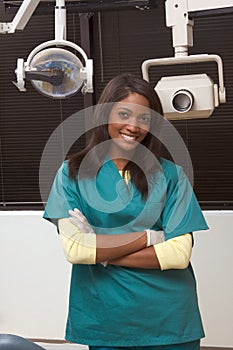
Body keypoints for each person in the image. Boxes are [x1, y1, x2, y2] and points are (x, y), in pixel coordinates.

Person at [43, 73, 209, 350]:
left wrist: (102, 252)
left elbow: (178, 254)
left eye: (144, 118)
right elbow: (76, 251)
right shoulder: (71, 174)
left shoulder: (171, 176)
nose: (134, 126)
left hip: (168, 319)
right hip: (107, 319)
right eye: (124, 114)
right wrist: (151, 238)